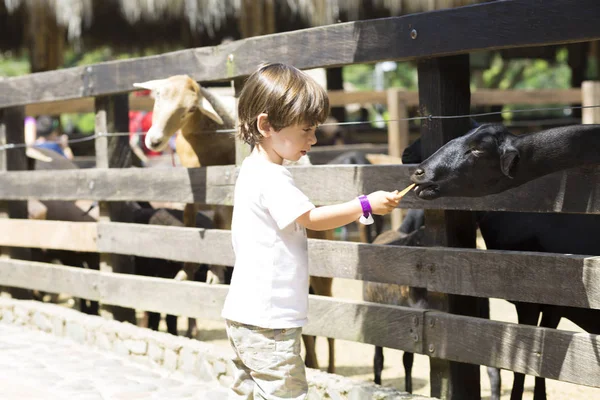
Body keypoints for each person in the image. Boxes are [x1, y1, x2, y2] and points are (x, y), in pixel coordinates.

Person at [221, 63, 405, 399]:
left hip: (244, 314)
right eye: (306, 129)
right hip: (269, 320)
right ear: (266, 125)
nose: (314, 139)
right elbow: (312, 218)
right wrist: (364, 205)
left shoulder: (251, 169)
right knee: (286, 393)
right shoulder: (272, 177)